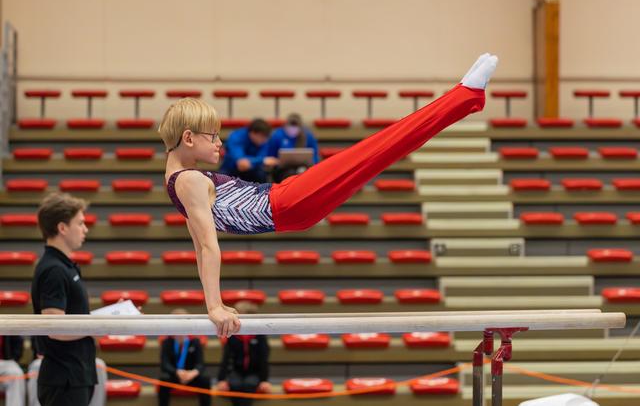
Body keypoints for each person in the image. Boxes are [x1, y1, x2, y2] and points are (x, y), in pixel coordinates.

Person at [159, 53, 498, 337]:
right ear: (189, 138)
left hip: (288, 203)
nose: (219, 143)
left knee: (378, 151)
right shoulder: (187, 181)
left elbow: (202, 248)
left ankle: (466, 97)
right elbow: (205, 247)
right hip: (287, 204)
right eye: (213, 136)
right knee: (378, 149)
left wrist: (214, 303)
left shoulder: (178, 180)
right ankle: (465, 95)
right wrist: (214, 306)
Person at [30, 192, 97, 406]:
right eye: (80, 223)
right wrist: (97, 326)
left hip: (75, 374)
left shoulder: (63, 266)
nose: (85, 229)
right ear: (62, 228)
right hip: (63, 378)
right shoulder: (54, 270)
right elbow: (55, 327)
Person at [215, 301, 271, 406]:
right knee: (235, 383)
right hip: (236, 371)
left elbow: (264, 359)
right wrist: (221, 379)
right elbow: (226, 359)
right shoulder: (232, 336)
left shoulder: (259, 336)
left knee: (250, 383)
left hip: (253, 372)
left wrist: (264, 380)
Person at [27, 340, 107, 406]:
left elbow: (99, 334)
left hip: (81, 369)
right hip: (62, 372)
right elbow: (51, 334)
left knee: (99, 365)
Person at [158, 309, 211, 406]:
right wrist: (177, 372)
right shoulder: (167, 342)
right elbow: (164, 364)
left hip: (191, 375)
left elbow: (200, 363)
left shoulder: (195, 341)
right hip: (175, 375)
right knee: (163, 379)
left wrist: (193, 373)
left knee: (205, 380)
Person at [219, 118, 278, 183]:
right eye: (262, 137)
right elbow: (241, 162)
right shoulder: (237, 136)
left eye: (266, 137)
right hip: (230, 168)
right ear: (252, 133)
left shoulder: (264, 142)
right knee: (221, 179)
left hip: (252, 170)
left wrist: (258, 161)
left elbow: (261, 157)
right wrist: (262, 161)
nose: (265, 140)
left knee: (261, 174)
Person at [265, 113, 319, 182]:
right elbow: (270, 156)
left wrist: (311, 162)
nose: (293, 129)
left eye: (296, 127)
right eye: (291, 126)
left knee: (303, 174)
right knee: (291, 175)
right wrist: (276, 161)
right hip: (282, 170)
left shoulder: (308, 136)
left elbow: (315, 156)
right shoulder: (277, 135)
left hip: (303, 168)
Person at [0, 335, 26, 406]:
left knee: (16, 373)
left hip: (5, 362)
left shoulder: (7, 325)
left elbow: (18, 346)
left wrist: (14, 357)